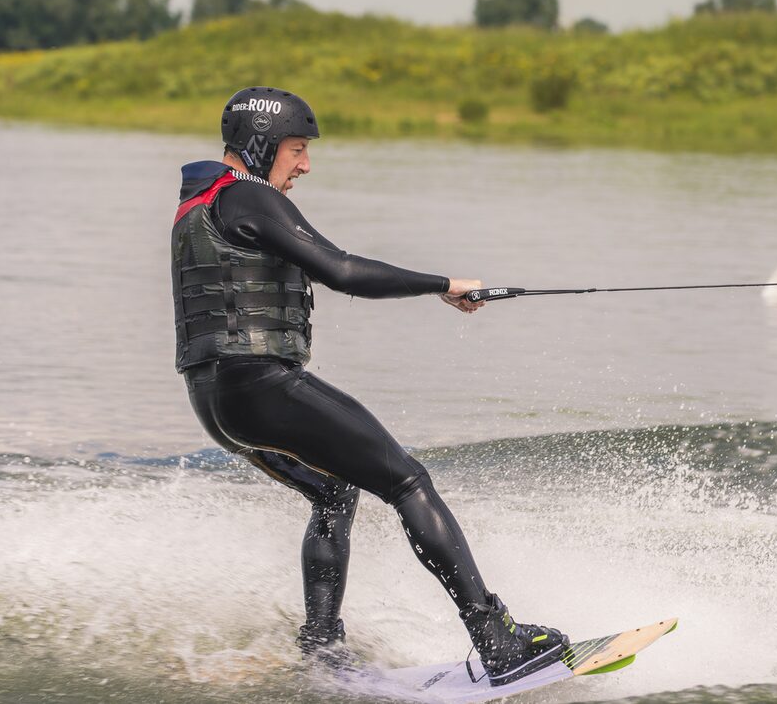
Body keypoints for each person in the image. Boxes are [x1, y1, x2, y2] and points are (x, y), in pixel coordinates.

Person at [172, 86, 569, 685]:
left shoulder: (202, 203)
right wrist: (443, 283)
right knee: (406, 479)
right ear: (262, 146)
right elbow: (343, 270)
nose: (305, 164)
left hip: (213, 400)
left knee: (334, 492)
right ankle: (496, 637)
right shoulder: (247, 198)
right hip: (259, 386)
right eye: (297, 149)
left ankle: (322, 647)